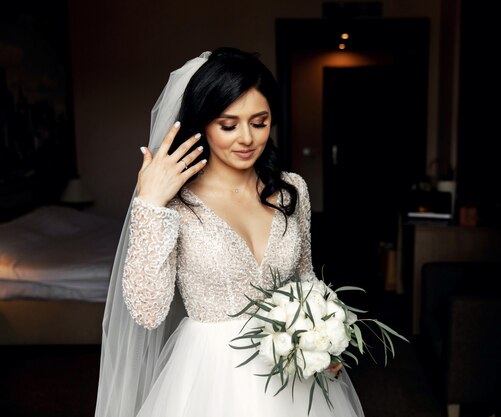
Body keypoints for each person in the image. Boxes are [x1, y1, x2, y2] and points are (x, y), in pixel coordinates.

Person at [94, 48, 364, 417]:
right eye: (228, 124)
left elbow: (303, 278)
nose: (247, 139)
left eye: (259, 121)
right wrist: (151, 204)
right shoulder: (174, 203)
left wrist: (323, 340)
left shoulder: (291, 189)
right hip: (210, 374)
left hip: (289, 373)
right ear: (203, 123)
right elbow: (147, 311)